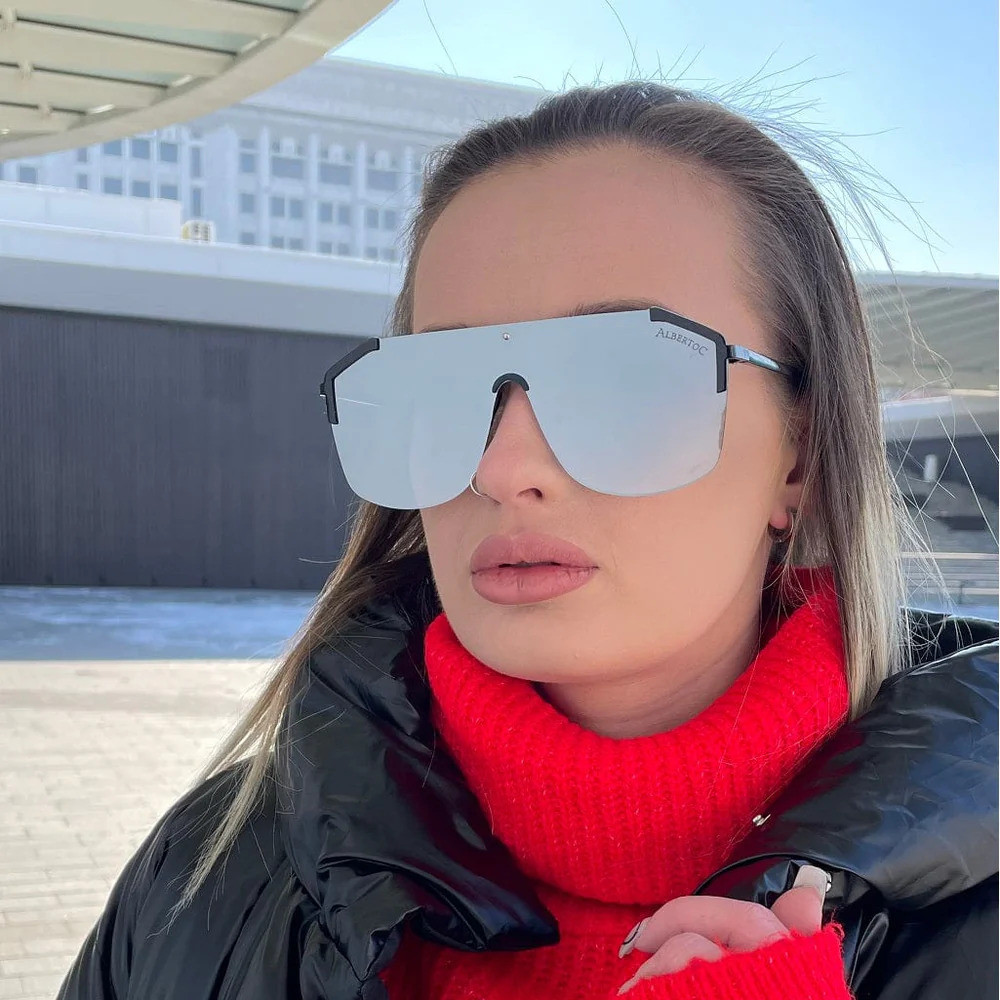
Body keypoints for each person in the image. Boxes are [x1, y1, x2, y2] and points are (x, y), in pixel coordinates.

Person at [57, 80, 997, 1000]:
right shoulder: (214, 870)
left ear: (803, 454)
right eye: (439, 389)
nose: (502, 468)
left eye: (625, 379)